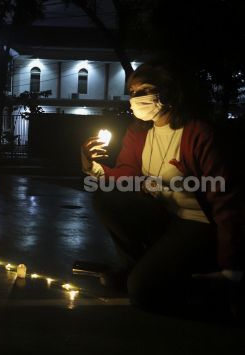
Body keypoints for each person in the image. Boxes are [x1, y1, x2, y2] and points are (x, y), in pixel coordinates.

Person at [81, 61, 244, 310]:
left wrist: (231, 265)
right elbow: (127, 176)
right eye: (132, 93)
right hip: (165, 216)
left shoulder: (197, 133)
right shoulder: (139, 133)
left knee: (142, 292)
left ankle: (209, 284)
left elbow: (225, 198)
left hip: (198, 224)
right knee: (105, 196)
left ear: (167, 92)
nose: (135, 99)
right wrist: (92, 166)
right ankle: (134, 267)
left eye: (142, 91)